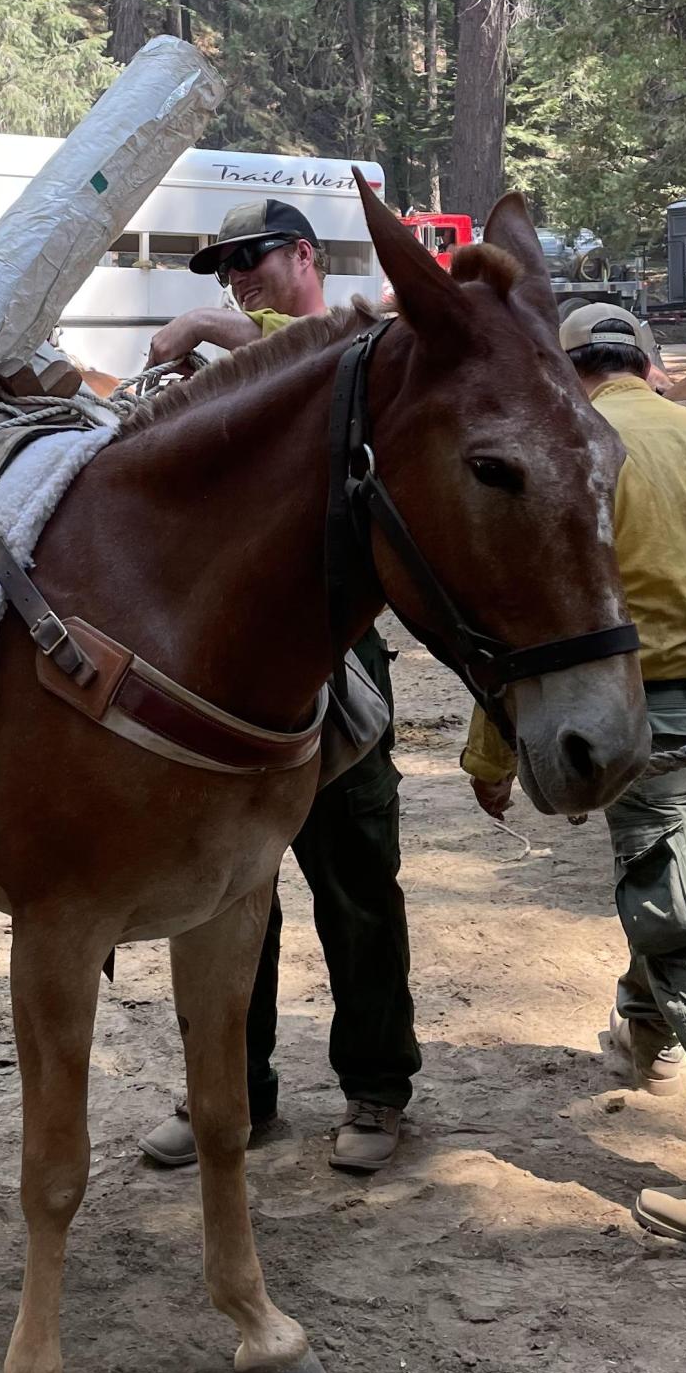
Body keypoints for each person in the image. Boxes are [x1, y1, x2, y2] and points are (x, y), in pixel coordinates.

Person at [462, 302, 686, 1245]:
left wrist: (491, 754)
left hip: (638, 717)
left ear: (567, 372)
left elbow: (530, 617)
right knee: (685, 885)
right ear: (650, 366)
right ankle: (641, 1027)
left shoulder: (572, 454)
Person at [136, 197, 421, 1175]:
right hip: (229, 673)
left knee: (355, 890)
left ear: (304, 254)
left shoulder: (366, 353)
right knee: (224, 892)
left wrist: (222, 328)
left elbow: (338, 347)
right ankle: (235, 1095)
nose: (235, 279)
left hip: (337, 663)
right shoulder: (233, 376)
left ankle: (377, 1090)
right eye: (222, 272)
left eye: (249, 259)